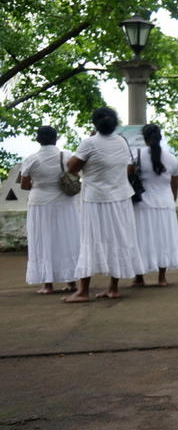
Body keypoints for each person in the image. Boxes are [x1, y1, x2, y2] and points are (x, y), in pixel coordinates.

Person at [64, 107, 144, 302]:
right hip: (121, 197)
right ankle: (113, 288)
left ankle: (83, 291)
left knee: (90, 240)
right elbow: (129, 167)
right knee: (119, 239)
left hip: (96, 199)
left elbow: (71, 167)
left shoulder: (89, 143)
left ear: (95, 123)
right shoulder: (122, 141)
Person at [19, 125, 80, 294]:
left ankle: (47, 283)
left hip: (40, 203)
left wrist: (42, 184)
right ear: (56, 139)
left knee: (44, 240)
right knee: (67, 239)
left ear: (38, 139)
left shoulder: (31, 160)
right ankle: (71, 281)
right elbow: (76, 176)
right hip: (64, 202)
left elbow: (24, 185)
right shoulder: (66, 156)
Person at [131, 123, 178, 287]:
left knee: (141, 240)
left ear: (145, 139)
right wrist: (171, 202)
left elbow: (128, 176)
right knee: (164, 239)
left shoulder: (136, 155)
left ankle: (139, 277)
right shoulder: (172, 158)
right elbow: (174, 186)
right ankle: (162, 277)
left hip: (143, 204)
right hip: (165, 204)